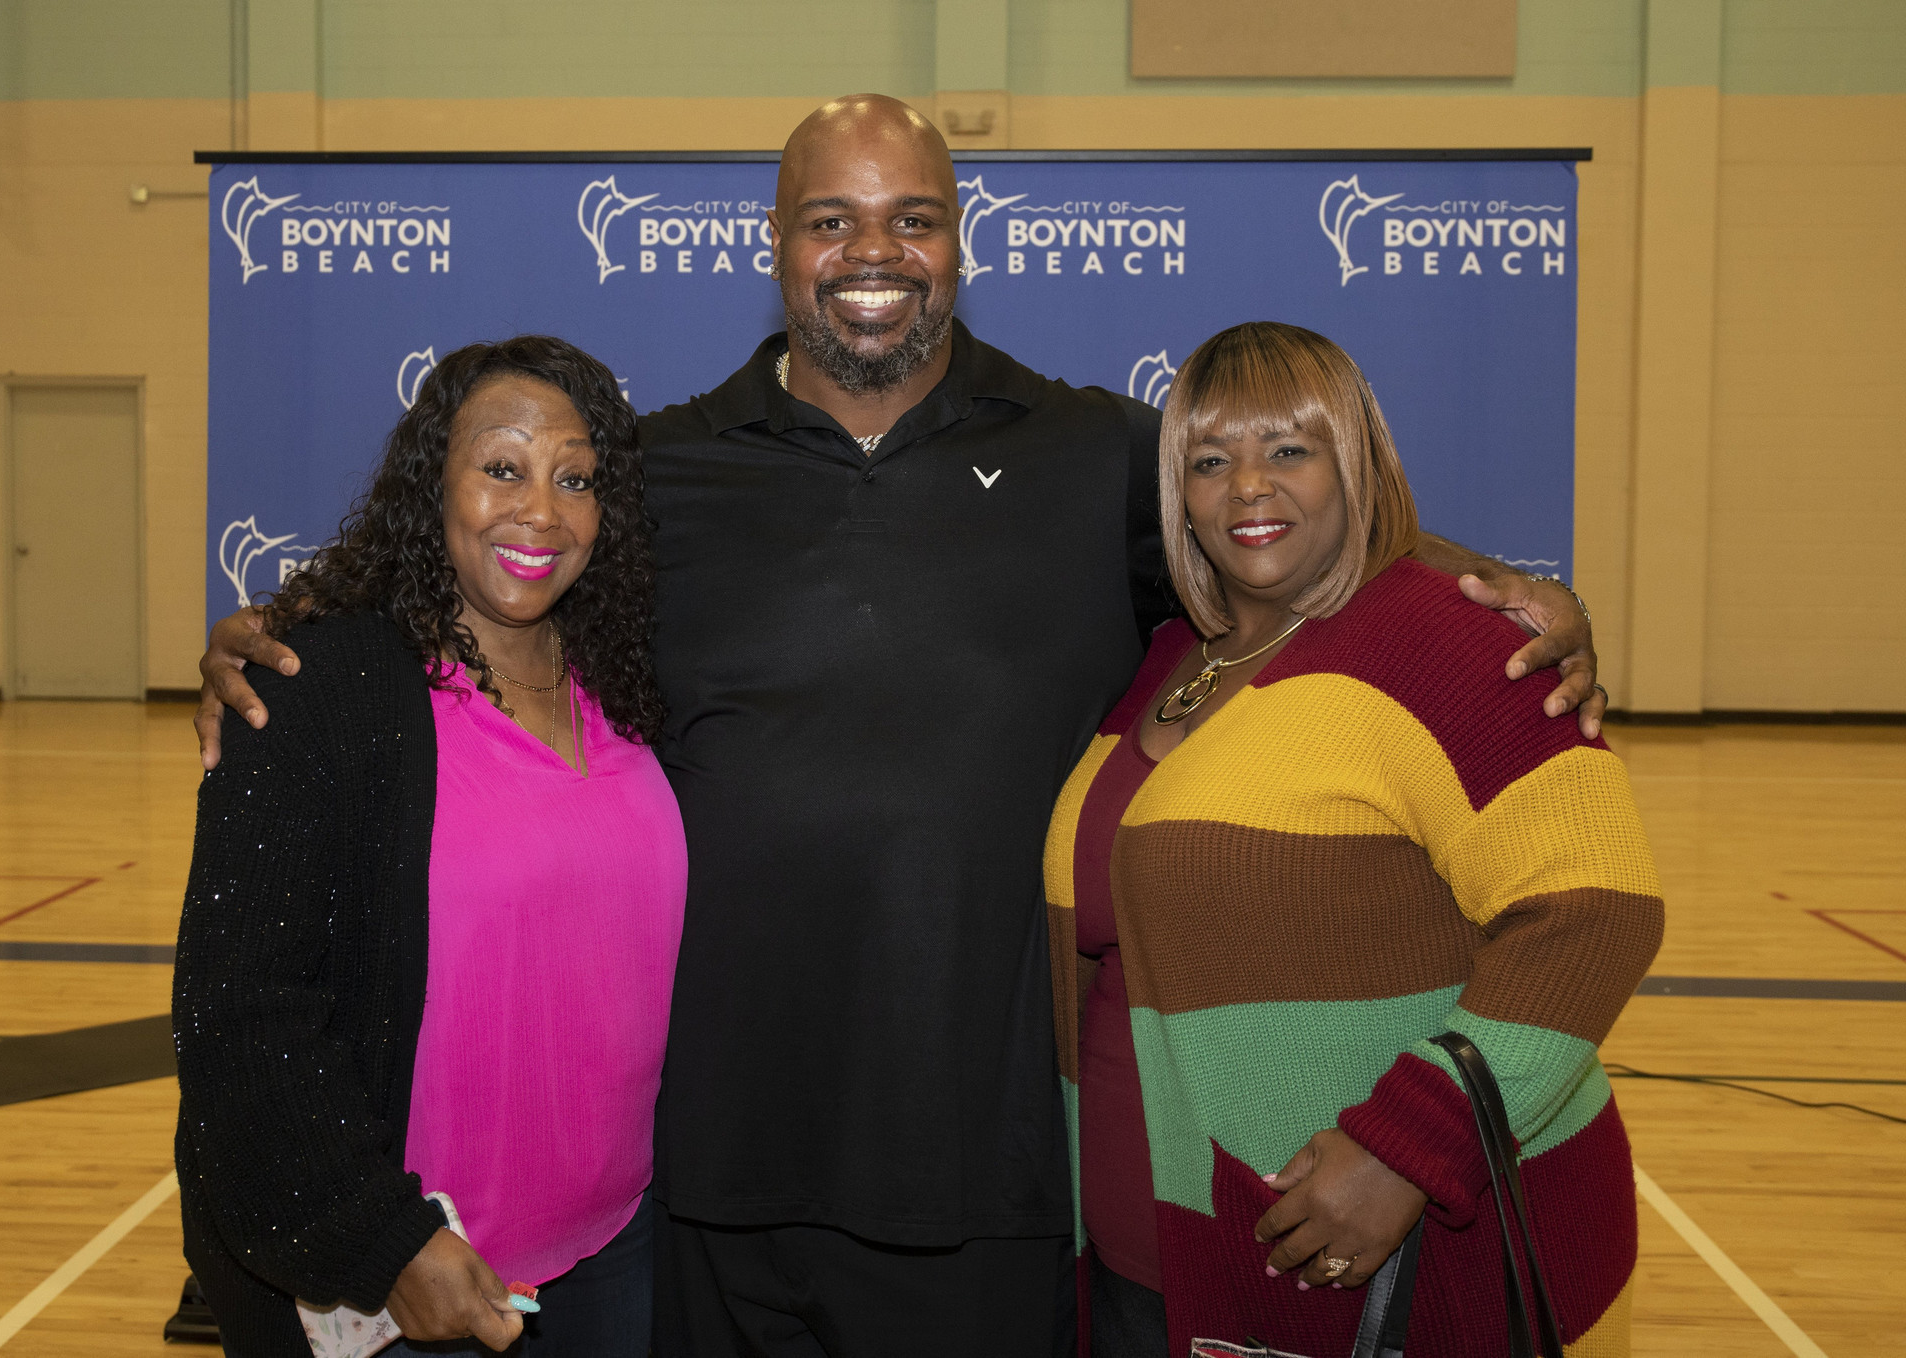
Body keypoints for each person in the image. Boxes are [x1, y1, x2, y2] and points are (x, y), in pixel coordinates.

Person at [194, 98, 1607, 1356]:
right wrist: (291, 634)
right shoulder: (663, 468)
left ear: (958, 239)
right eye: (833, 219)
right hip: (706, 1182)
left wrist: (1490, 587)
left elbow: (1286, 537)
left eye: (913, 218)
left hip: (981, 1185)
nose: (875, 252)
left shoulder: (1091, 453)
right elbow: (489, 561)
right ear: (777, 244)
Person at [1043, 321, 1659, 1357]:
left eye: (1289, 448)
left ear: (1355, 462)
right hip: (1148, 1273)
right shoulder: (1162, 660)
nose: (1247, 485)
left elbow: (1594, 909)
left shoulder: (1453, 641)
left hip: (1376, 1277)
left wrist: (1408, 1150)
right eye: (1209, 458)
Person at [174, 336, 683, 1358]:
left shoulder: (624, 684)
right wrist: (384, 1240)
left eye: (574, 478)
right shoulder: (323, 686)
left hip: (616, 1248)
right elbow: (240, 1010)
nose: (539, 509)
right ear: (431, 486)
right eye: (501, 466)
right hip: (420, 1283)